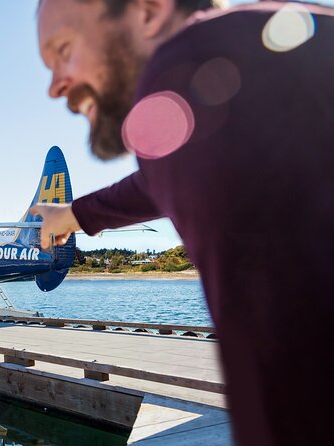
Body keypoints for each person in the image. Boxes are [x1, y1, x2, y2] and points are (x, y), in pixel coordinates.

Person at [32, 0, 334, 445]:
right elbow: (159, 181)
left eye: (63, 50)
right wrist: (76, 214)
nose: (55, 87)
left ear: (149, 11)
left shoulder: (182, 67)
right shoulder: (247, 67)